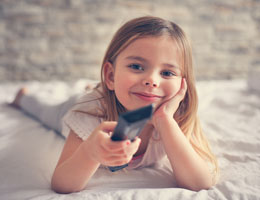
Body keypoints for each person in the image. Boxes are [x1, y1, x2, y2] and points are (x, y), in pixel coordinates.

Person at [10, 16, 218, 193]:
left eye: (167, 73)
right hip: (74, 106)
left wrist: (164, 120)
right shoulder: (91, 111)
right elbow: (62, 185)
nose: (152, 80)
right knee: (44, 111)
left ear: (183, 83)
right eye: (136, 66)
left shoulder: (177, 113)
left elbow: (200, 183)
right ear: (110, 75)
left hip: (115, 94)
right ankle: (23, 98)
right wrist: (90, 153)